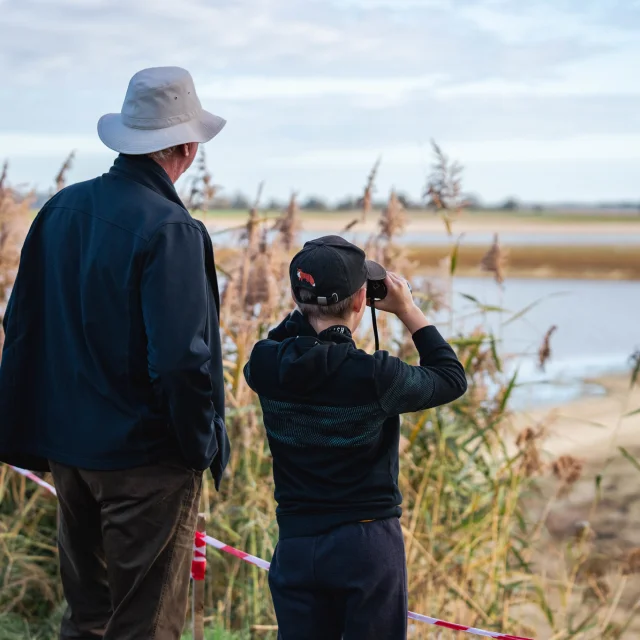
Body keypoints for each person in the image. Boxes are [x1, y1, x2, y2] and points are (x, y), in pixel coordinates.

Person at [0, 67, 230, 640]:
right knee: (145, 626)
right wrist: (197, 446)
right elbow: (181, 360)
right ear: (186, 146)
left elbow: (22, 324)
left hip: (71, 457)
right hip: (145, 464)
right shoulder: (172, 228)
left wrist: (36, 430)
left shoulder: (60, 210)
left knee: (87, 619)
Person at [244, 236, 467, 640]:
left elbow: (283, 337)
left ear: (296, 298)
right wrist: (408, 309)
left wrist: (310, 306)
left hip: (296, 543)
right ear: (361, 299)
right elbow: (451, 378)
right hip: (365, 545)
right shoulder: (375, 377)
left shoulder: (263, 364)